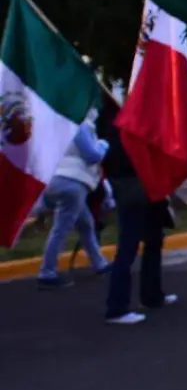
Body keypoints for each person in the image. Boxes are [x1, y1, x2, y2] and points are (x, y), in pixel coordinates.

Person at [97, 96, 178, 325]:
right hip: (133, 188)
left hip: (143, 187)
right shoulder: (118, 128)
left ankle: (152, 295)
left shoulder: (120, 123)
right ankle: (117, 307)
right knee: (129, 246)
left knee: (153, 240)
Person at [37, 107, 110, 289]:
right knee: (61, 229)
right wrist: (103, 144)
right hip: (72, 181)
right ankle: (47, 272)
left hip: (55, 179)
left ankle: (100, 264)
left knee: (85, 224)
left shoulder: (56, 125)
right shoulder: (79, 124)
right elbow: (93, 155)